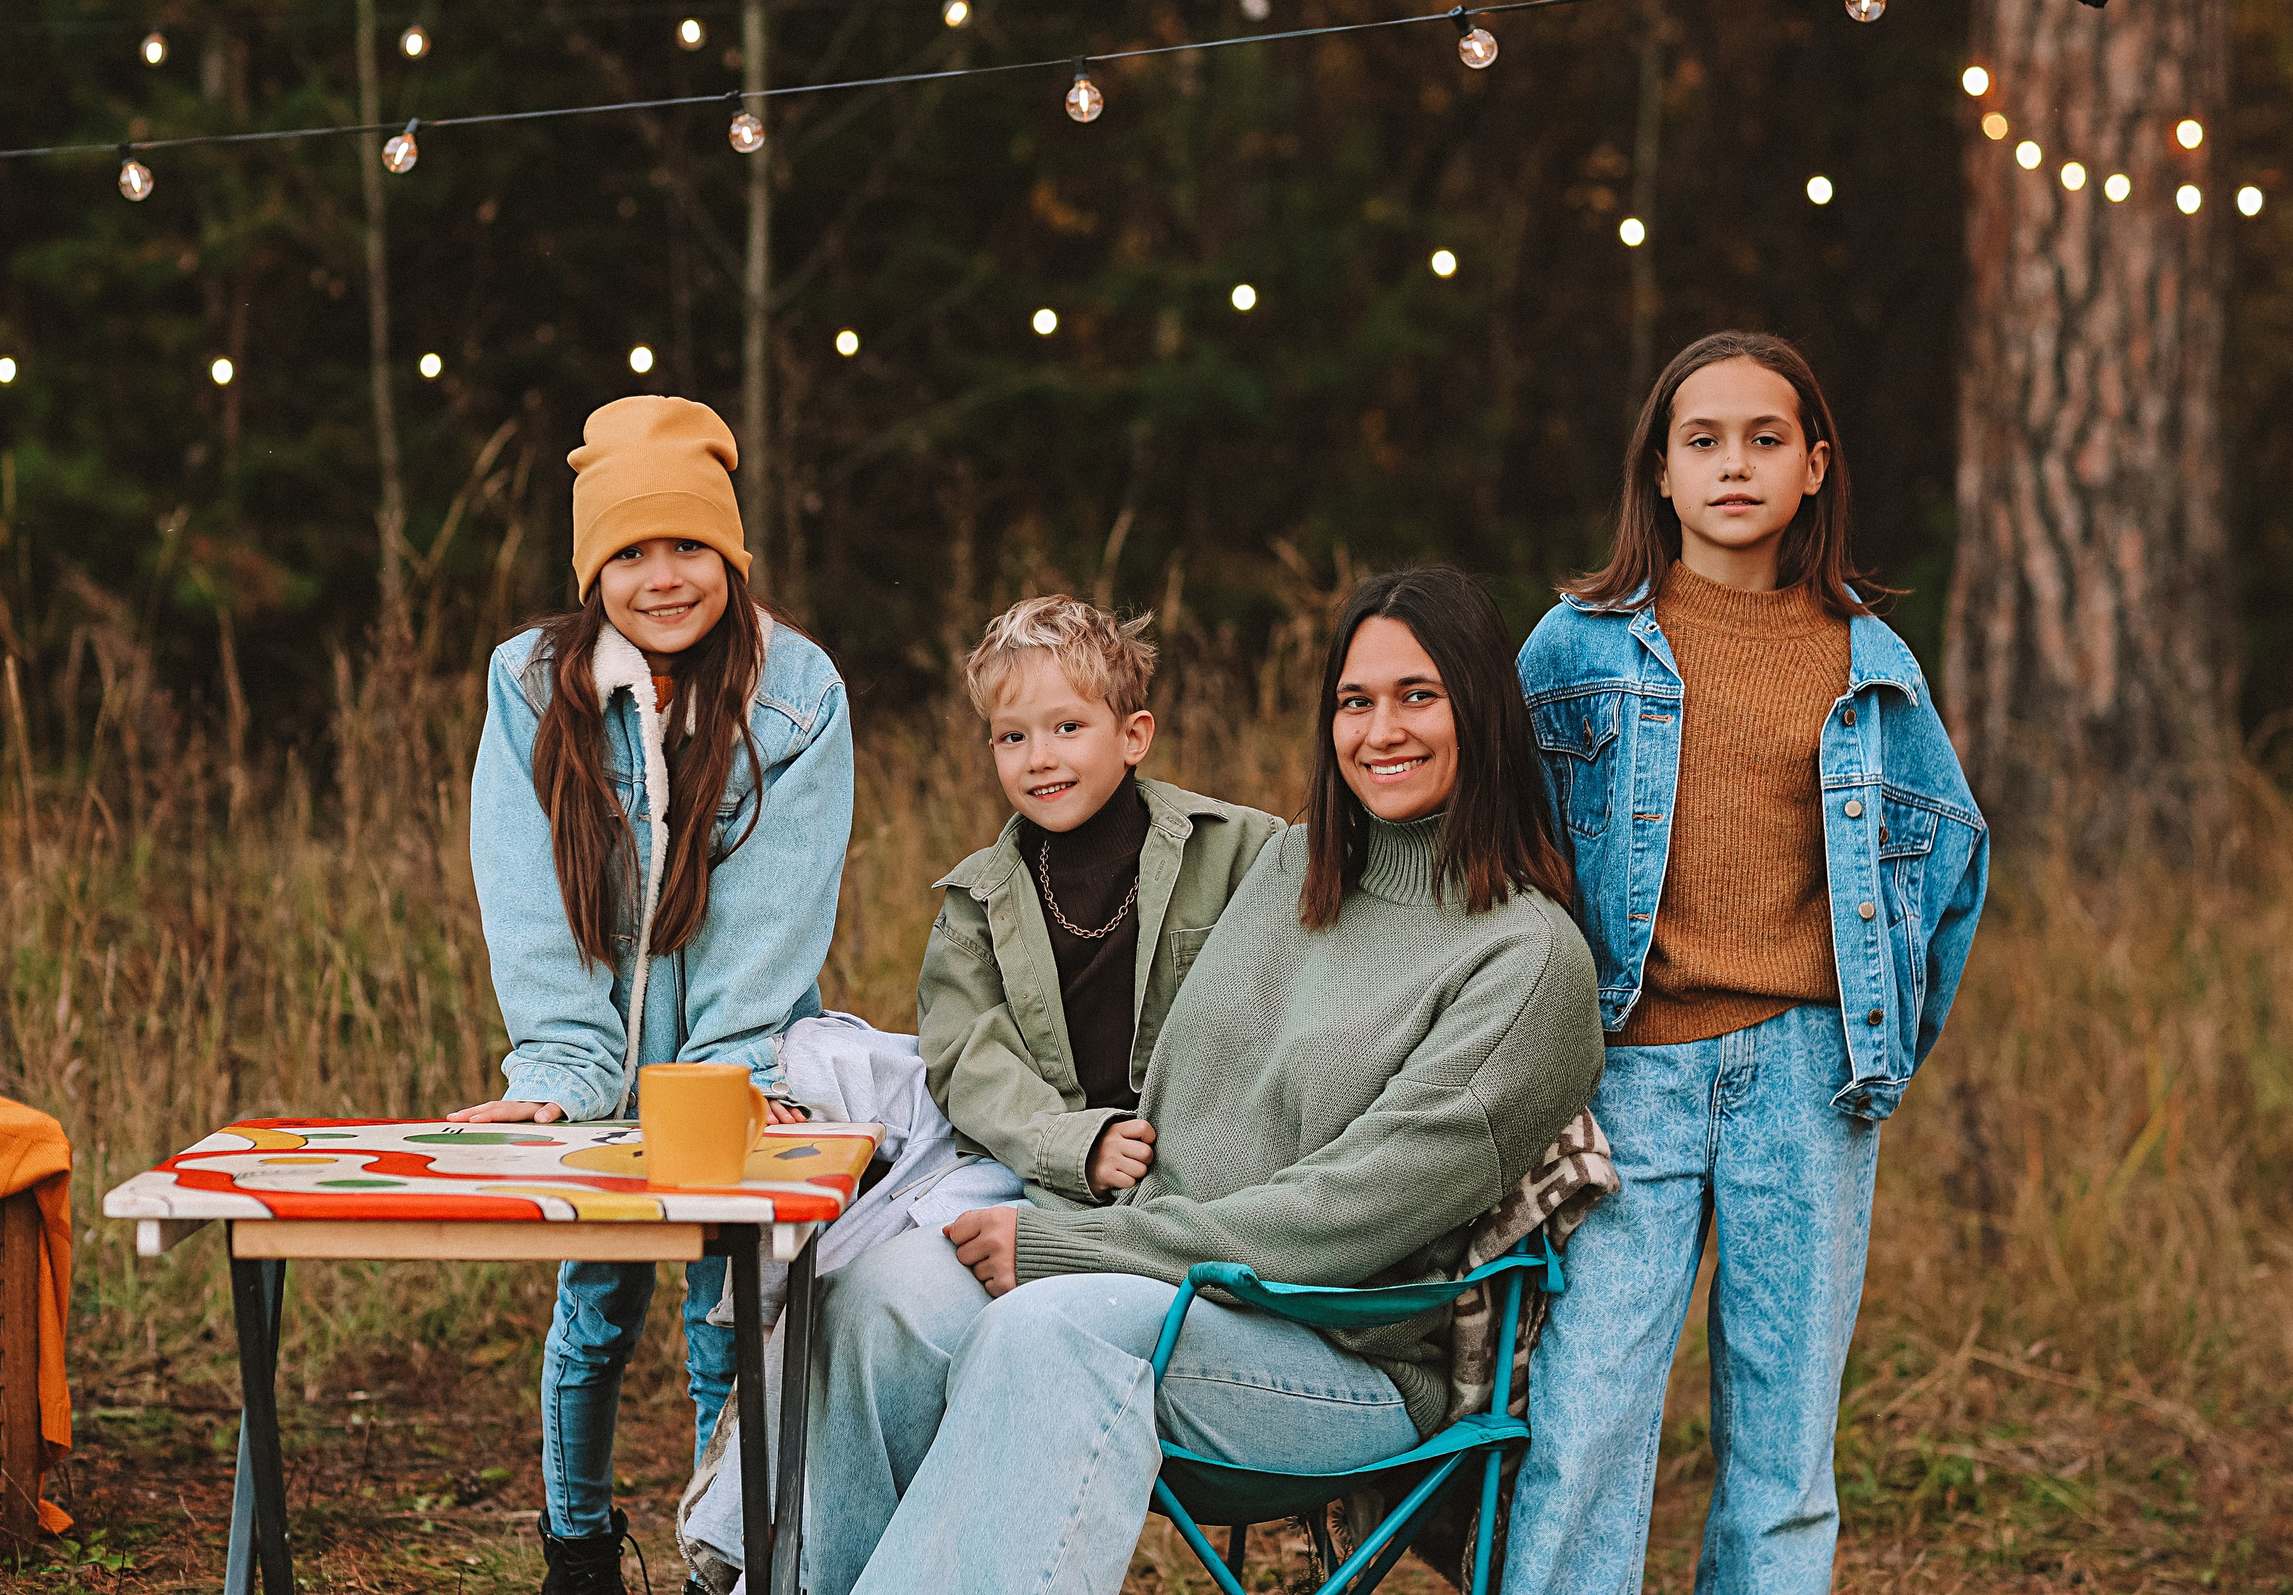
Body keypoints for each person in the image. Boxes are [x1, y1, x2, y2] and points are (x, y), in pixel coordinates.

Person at [802, 565, 1606, 1595]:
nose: (1380, 729)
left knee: (1047, 1328)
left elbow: (1338, 1220)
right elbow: (1174, 1107)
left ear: (1482, 710)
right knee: (884, 1296)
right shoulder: (1294, 868)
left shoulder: (1527, 963)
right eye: (1354, 701)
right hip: (1163, 1279)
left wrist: (1068, 1246)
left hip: (1331, 1354)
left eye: (1418, 695)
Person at [1506, 332, 1989, 1595]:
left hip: (1805, 1082)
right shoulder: (1573, 646)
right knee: (1582, 1415)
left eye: (1765, 439)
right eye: (1702, 441)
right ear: (1658, 473)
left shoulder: (1871, 662)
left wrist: (1871, 1041)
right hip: (1626, 1078)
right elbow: (1508, 852)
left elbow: (1947, 865)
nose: (1734, 464)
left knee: (1783, 1451)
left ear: (1814, 466)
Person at [456, 396, 853, 1595]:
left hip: (740, 1056)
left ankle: (715, 1557)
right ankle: (576, 1546)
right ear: (592, 570)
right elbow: (526, 890)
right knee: (595, 1296)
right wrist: (564, 1070)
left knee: (725, 1312)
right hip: (600, 1056)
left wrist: (731, 1077)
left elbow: (774, 910)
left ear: (730, 552)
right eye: (629, 551)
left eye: (689, 545)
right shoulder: (532, 683)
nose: (662, 575)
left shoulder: (796, 690)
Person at [919, 595, 1283, 1208]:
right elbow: (966, 1059)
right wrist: (1073, 1144)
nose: (1040, 758)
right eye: (1013, 736)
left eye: (1067, 727)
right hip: (1042, 1168)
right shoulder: (975, 905)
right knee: (896, 1268)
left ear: (1133, 735)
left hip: (1210, 1175)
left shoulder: (1243, 851)